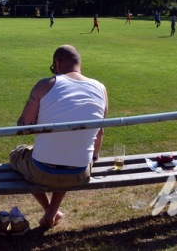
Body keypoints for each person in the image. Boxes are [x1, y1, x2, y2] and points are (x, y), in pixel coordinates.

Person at [10, 45, 108, 229]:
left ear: (58, 63)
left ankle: (50, 210)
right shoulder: (101, 88)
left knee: (17, 153)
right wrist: (94, 156)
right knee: (71, 155)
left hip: (41, 172)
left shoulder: (45, 85)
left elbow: (24, 126)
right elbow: (100, 132)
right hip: (79, 174)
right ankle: (52, 212)